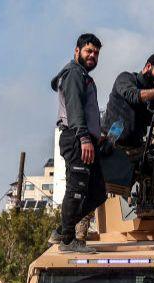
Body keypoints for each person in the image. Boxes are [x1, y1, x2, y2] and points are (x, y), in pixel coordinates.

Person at [96, 53, 154, 217]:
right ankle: (74, 233)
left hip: (135, 148)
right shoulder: (126, 79)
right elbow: (134, 96)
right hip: (111, 143)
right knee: (97, 188)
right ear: (148, 66)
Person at [50, 33, 104, 253]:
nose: (92, 56)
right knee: (77, 188)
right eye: (88, 51)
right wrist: (83, 137)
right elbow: (74, 109)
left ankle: (63, 230)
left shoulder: (83, 75)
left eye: (96, 53)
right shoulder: (73, 73)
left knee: (98, 191)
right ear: (77, 51)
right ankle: (67, 241)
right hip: (75, 137)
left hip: (87, 139)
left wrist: (99, 135)